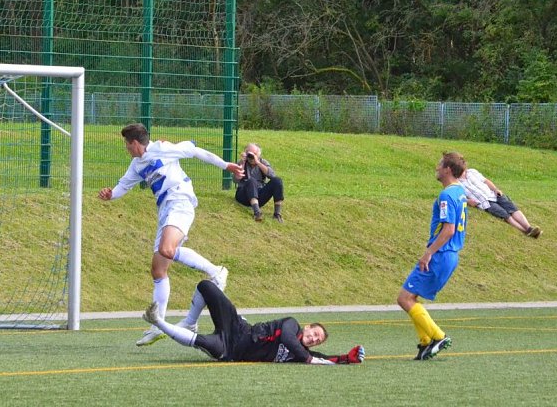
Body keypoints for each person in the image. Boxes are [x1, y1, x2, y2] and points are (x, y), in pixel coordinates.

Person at [98, 123, 244, 347]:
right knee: (158, 269)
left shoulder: (163, 148)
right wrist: (110, 194)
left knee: (167, 250)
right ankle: (157, 325)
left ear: (134, 143)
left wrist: (226, 166)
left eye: (126, 144)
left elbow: (195, 151)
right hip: (165, 209)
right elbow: (122, 187)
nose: (126, 148)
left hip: (180, 200)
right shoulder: (136, 165)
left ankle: (216, 271)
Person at [142, 280, 365, 365]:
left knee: (199, 342)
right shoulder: (292, 324)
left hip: (231, 351)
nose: (314, 338)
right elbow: (288, 338)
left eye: (317, 340)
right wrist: (308, 359)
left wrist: (347, 358)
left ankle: (158, 321)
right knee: (206, 286)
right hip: (239, 327)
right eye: (315, 332)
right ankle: (190, 321)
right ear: (307, 326)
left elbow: (325, 359)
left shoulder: (300, 354)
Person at [396, 151, 469, 361]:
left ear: (447, 169)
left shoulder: (447, 195)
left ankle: (438, 337)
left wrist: (428, 253)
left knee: (404, 298)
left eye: (439, 164)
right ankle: (426, 342)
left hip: (441, 253)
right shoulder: (459, 192)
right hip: (450, 255)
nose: (436, 168)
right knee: (410, 298)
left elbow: (449, 230)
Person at [459, 167, 542, 238]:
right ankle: (526, 231)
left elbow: (486, 181)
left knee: (512, 208)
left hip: (494, 194)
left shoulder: (472, 172)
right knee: (505, 214)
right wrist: (468, 201)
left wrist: (495, 189)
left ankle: (529, 228)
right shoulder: (457, 182)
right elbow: (459, 197)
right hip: (485, 203)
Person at [234, 143, 284, 222]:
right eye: (249, 153)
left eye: (254, 154)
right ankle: (257, 213)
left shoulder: (262, 162)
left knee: (278, 181)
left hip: (259, 195)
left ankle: (277, 214)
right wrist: (242, 163)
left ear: (258, 155)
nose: (251, 157)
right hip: (243, 195)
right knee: (251, 180)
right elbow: (235, 180)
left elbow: (272, 175)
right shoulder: (241, 163)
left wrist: (258, 163)